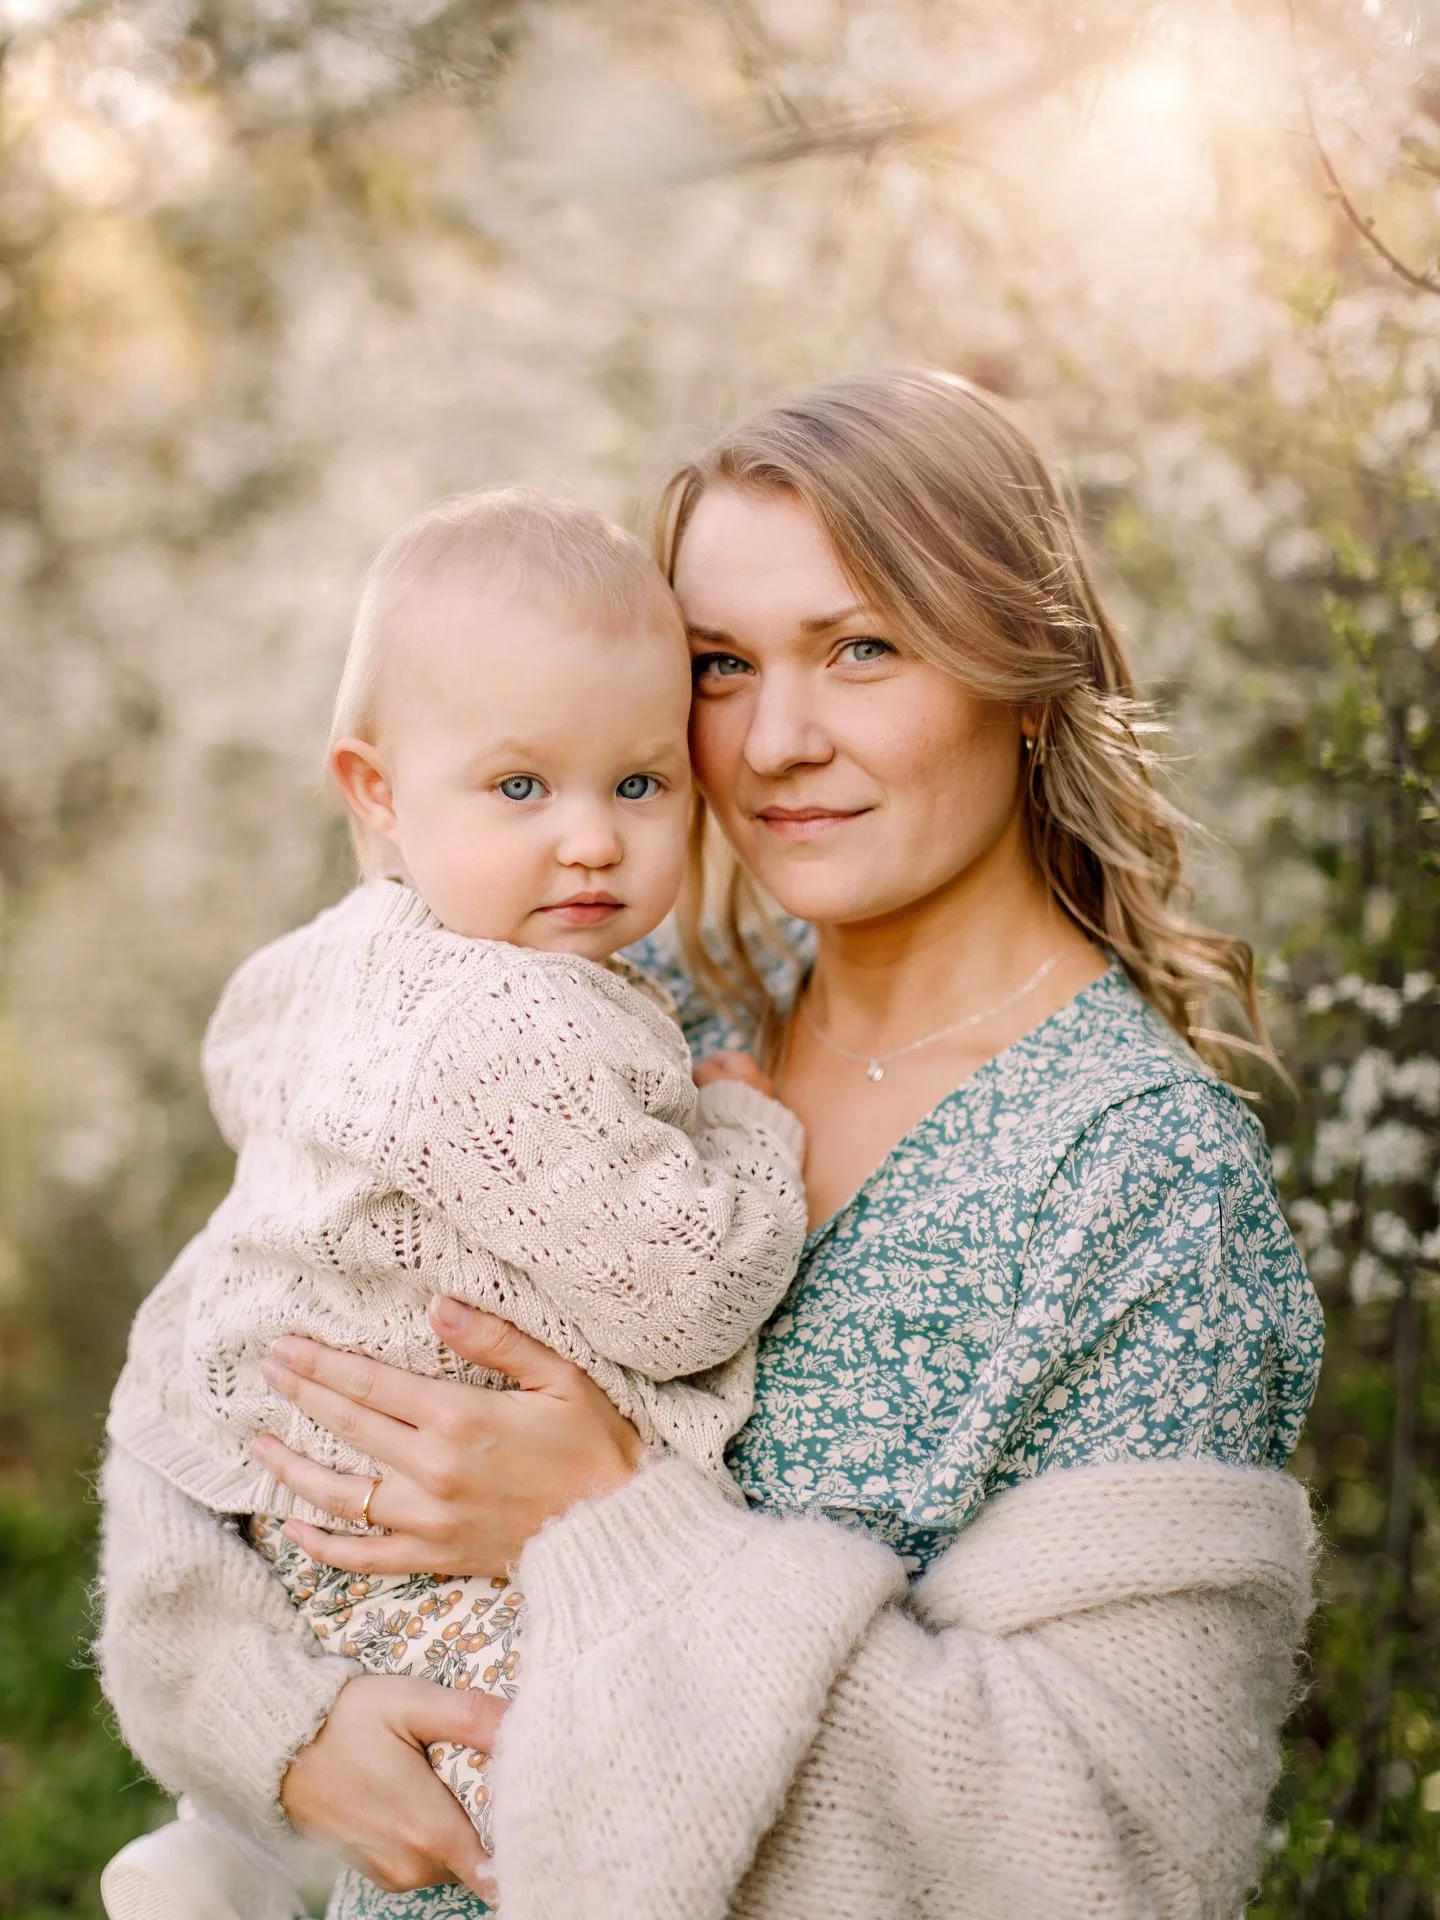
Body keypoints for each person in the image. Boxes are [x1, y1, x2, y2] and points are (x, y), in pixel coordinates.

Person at [98, 370, 1323, 1920]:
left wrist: (619, 1532)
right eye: (724, 666)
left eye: (861, 648)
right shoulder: (609, 1013)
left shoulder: (1141, 1187)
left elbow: (1115, 1849)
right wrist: (268, 1726)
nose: (779, 741)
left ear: (1021, 667)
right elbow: (205, 1366)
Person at [101, 487, 807, 1902]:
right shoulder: (522, 1024)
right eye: (521, 787)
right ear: (377, 793)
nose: (594, 841)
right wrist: (746, 1125)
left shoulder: (346, 960)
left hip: (280, 1498)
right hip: (412, 1542)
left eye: (639, 783)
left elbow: (249, 1062)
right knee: (571, 1778)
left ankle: (232, 1854)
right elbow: (685, 1295)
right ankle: (259, 1863)